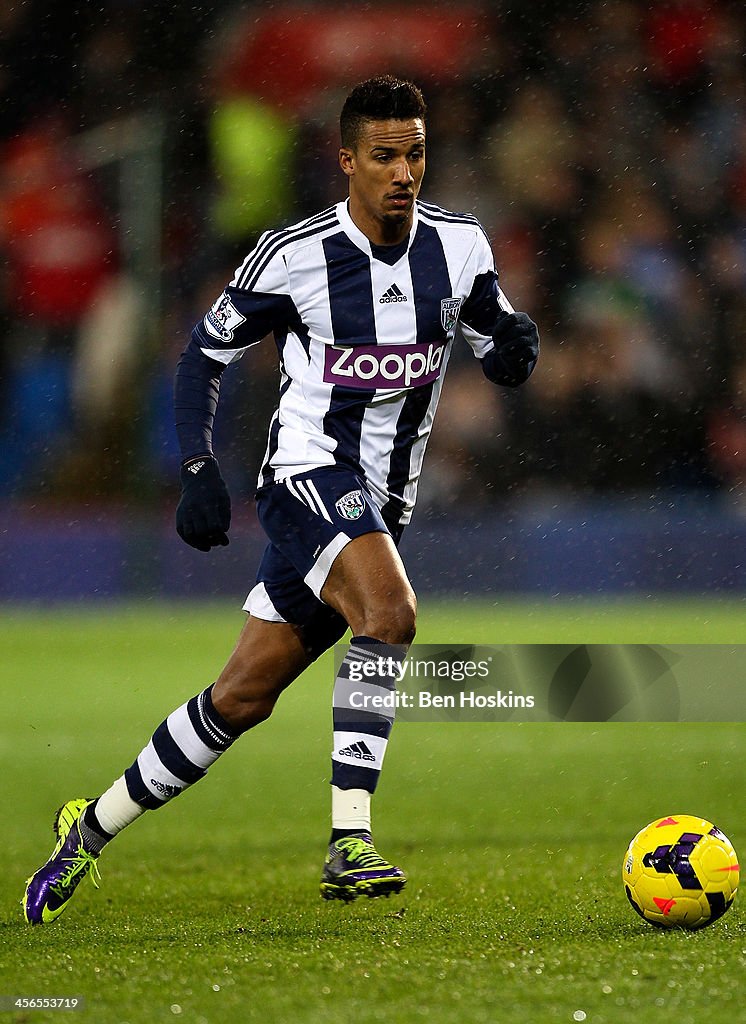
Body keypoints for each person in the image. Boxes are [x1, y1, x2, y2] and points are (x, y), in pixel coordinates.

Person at [24, 76, 539, 924]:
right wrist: (195, 467)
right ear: (347, 161)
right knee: (393, 612)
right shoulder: (293, 255)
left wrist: (518, 349)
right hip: (307, 478)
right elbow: (203, 354)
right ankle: (350, 841)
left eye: (415, 153)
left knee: (241, 696)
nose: (404, 171)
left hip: (382, 506)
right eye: (384, 156)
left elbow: (497, 337)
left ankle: (91, 825)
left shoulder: (460, 245)